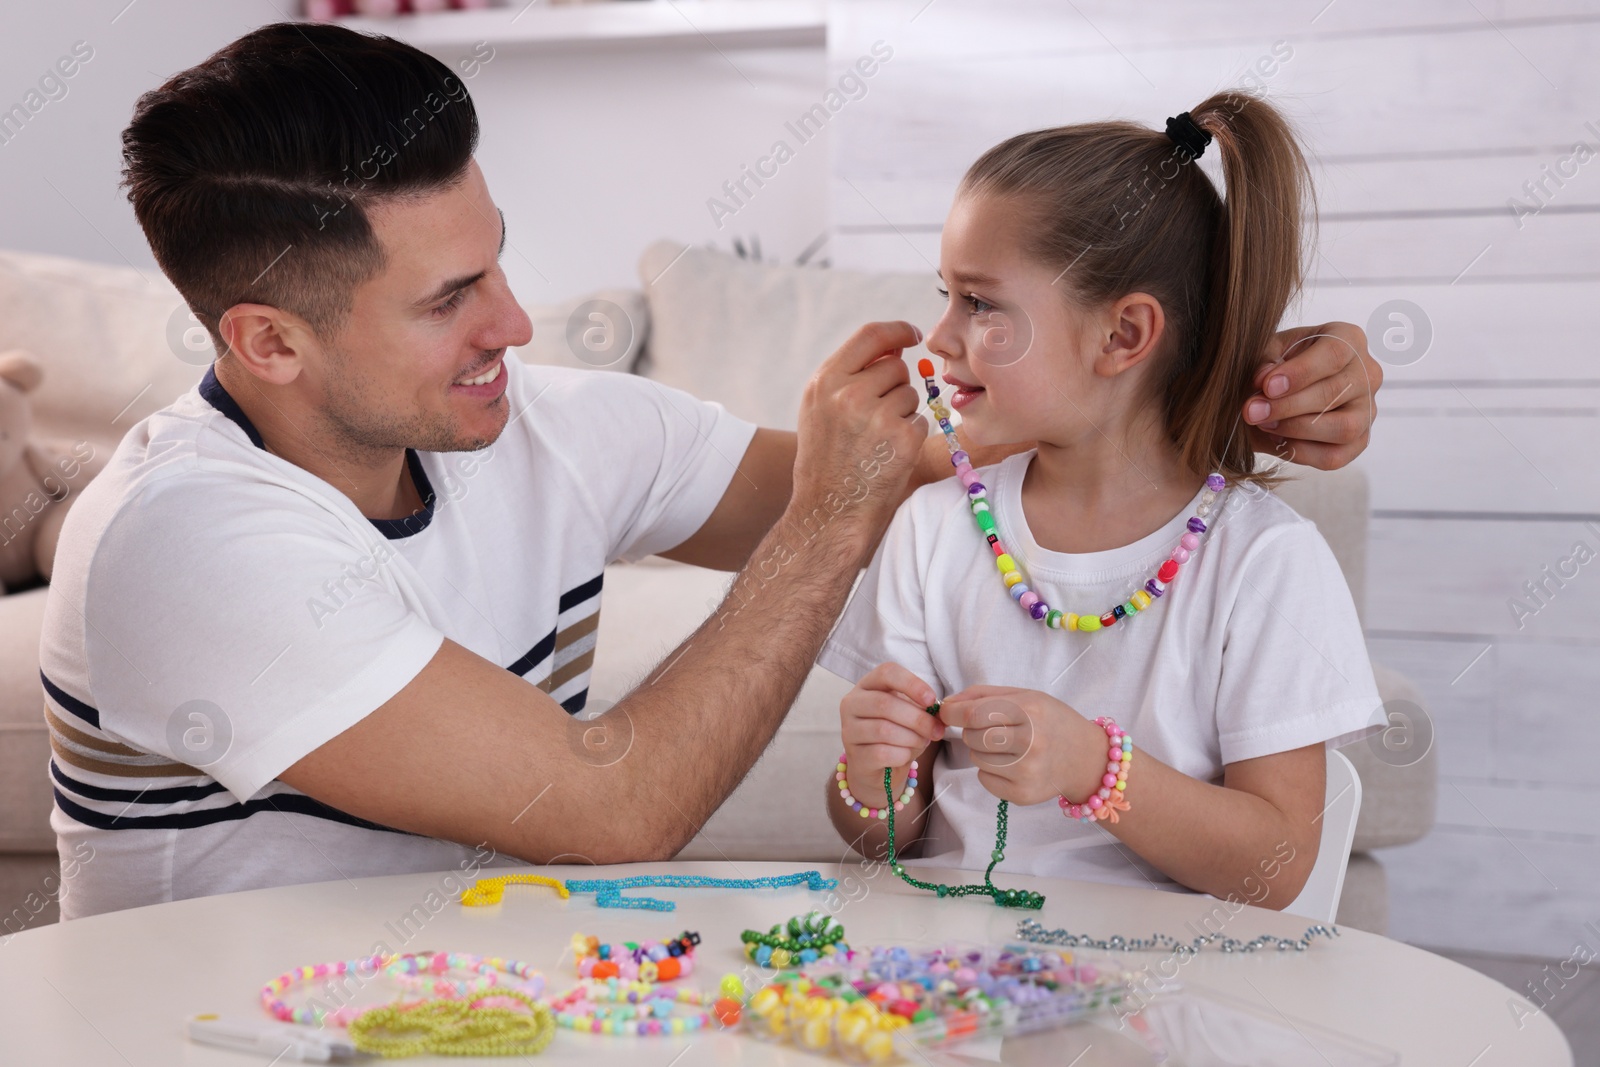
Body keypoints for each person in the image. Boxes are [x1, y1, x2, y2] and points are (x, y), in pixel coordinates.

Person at [41, 23, 1382, 919]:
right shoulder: (189, 541)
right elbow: (611, 805)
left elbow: (908, 468)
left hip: (470, 999)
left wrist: (1226, 395)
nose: (514, 320)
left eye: (500, 258)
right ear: (267, 341)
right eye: (450, 297)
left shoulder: (551, 426)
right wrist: (845, 525)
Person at [819, 95, 1381, 908]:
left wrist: (1094, 767)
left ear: (1122, 336)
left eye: (978, 303)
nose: (938, 338)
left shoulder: (1262, 560)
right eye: (947, 295)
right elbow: (881, 832)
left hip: (1169, 997)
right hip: (954, 981)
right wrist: (871, 775)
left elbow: (1280, 862)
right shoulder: (932, 529)